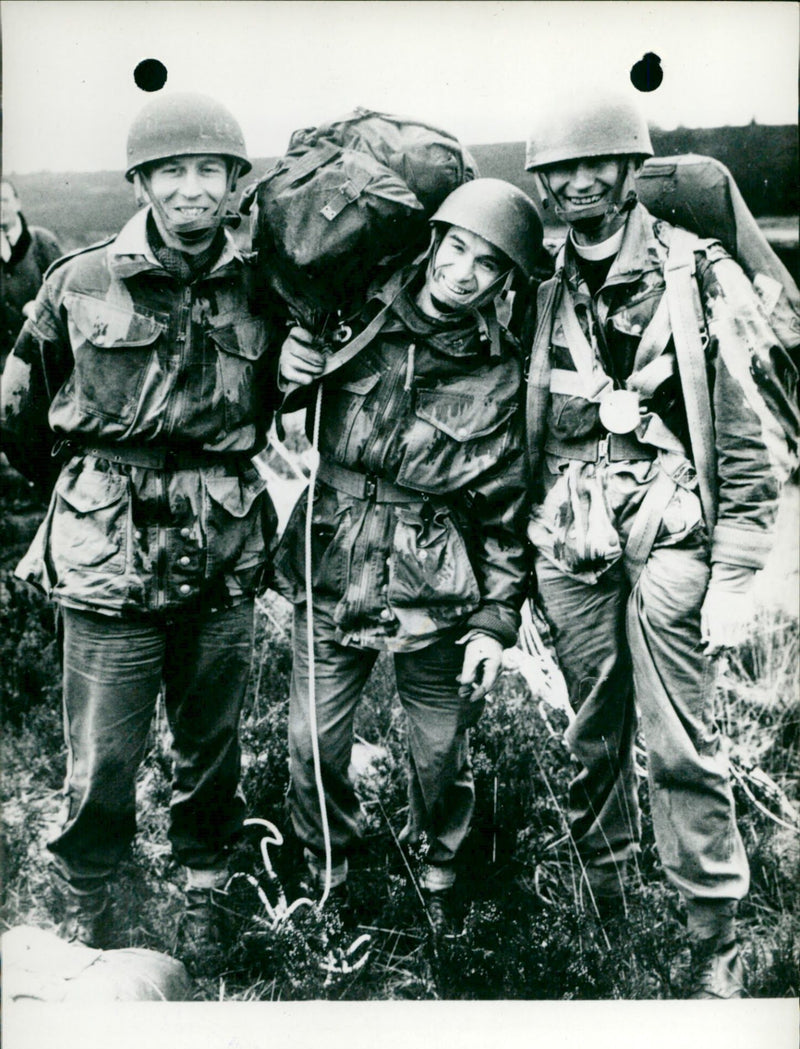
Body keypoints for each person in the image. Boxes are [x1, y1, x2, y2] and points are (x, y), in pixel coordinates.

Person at [523, 91, 798, 998]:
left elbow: (749, 432)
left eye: (594, 165)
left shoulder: (697, 274)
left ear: (630, 167)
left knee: (679, 738)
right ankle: (604, 897)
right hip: (569, 541)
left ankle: (711, 928)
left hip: (674, 534)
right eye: (559, 171)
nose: (577, 184)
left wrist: (736, 570)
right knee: (590, 725)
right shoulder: (539, 286)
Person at [0, 91, 282, 971]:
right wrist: (84, 493)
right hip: (106, 550)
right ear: (142, 182)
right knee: (104, 750)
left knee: (211, 743)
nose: (192, 190)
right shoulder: (79, 279)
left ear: (237, 183)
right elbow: (20, 405)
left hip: (223, 549)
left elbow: (290, 394)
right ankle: (93, 897)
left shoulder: (270, 284)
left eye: (210, 171)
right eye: (172, 171)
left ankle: (204, 890)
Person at [274, 179, 542, 936]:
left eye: (488, 265)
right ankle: (330, 868)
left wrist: (493, 623)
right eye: (455, 248)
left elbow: (504, 514)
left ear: (503, 283)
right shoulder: (352, 313)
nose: (463, 273)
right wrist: (288, 367)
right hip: (330, 560)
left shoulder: (500, 369)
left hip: (436, 582)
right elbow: (274, 388)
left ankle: (445, 874)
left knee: (438, 749)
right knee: (311, 741)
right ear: (433, 242)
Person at [1, 178, 63, 361]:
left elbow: (64, 293)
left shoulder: (41, 242)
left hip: (43, 358)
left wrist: (37, 307)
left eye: (3, 200)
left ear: (17, 203)